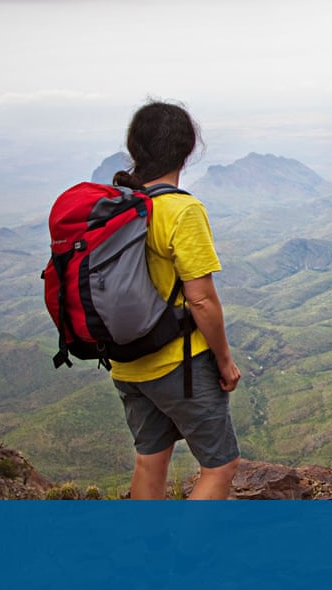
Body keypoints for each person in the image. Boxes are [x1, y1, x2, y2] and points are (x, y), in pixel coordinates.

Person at [108, 100, 241, 499]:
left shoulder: (116, 205)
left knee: (151, 460)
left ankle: (146, 557)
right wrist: (224, 360)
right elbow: (201, 300)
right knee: (220, 465)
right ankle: (184, 562)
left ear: (135, 150)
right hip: (176, 363)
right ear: (186, 150)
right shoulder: (181, 210)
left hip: (126, 362)